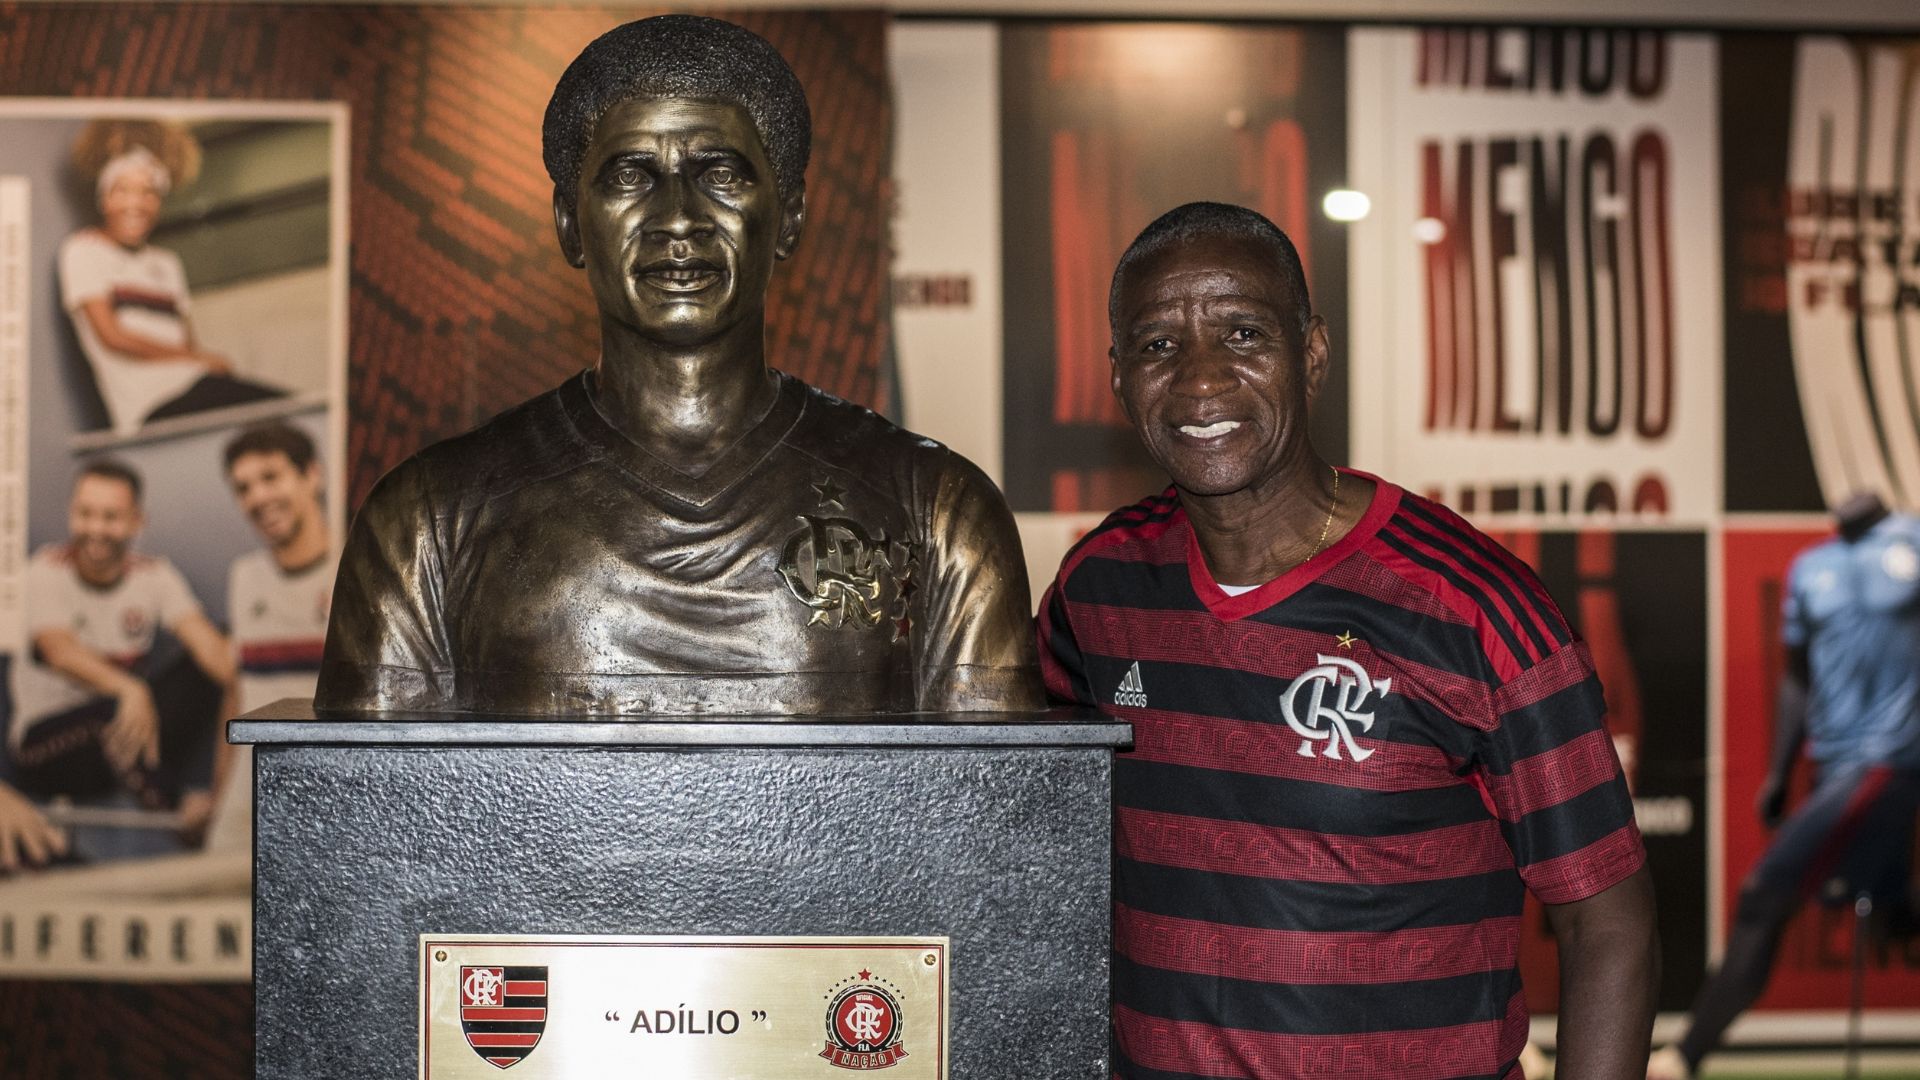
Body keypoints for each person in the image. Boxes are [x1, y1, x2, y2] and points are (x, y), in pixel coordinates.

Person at [1037, 202, 1658, 1079]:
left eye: (1243, 334)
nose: (1200, 381)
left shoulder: (1474, 609)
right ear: (1117, 375)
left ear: (1312, 353)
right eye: (1157, 346)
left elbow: (1609, 922)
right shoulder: (1094, 590)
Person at [317, 15, 1040, 717]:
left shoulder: (938, 513)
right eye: (631, 176)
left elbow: (987, 821)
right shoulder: (426, 523)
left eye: (719, 173)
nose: (679, 218)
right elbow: (374, 822)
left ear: (787, 215)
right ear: (570, 223)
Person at [1648, 494, 1920, 1080]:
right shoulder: (1811, 567)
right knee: (1895, 914)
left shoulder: (1913, 540)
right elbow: (1797, 678)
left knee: (1764, 895)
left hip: (1889, 761)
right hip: (1834, 766)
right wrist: (1778, 770)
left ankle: (1681, 1060)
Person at [12, 459, 234, 854]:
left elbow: (213, 654)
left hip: (127, 733)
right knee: (110, 712)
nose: (95, 529)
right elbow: (57, 649)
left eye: (111, 517)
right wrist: (130, 689)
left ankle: (221, 804)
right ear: (71, 515)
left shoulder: (154, 576)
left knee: (223, 646)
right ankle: (185, 815)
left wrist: (240, 674)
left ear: (136, 522)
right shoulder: (44, 571)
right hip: (45, 747)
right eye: (85, 514)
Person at [60, 119, 281, 435]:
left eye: (148, 192)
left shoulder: (168, 263)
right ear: (104, 198)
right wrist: (198, 359)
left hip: (199, 385)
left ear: (159, 203)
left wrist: (200, 361)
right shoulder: (82, 250)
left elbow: (185, 338)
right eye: (122, 190)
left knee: (283, 407)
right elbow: (112, 336)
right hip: (152, 406)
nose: (135, 203)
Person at [203, 422, 336, 852]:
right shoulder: (244, 576)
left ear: (311, 475)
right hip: (246, 805)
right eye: (243, 488)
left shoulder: (358, 567)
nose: (258, 497)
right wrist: (217, 798)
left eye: (271, 477)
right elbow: (237, 693)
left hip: (331, 801)